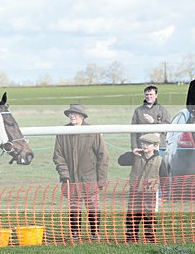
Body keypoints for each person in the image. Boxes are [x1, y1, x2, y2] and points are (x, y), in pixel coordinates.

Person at [52, 103, 110, 241]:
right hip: (70, 180)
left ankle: (95, 233)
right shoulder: (62, 132)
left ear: (82, 116)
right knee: (74, 208)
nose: (72, 116)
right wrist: (64, 175)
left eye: (75, 114)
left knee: (93, 207)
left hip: (90, 178)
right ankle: (75, 234)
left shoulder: (93, 132)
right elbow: (58, 156)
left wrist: (101, 180)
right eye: (70, 114)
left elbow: (103, 156)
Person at [118, 133, 166, 243]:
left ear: (155, 146)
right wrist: (131, 153)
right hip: (135, 191)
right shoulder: (135, 157)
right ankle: (131, 237)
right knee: (132, 215)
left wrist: (162, 196)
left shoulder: (160, 160)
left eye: (148, 144)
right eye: (143, 143)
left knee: (149, 215)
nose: (144, 146)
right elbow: (120, 161)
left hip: (150, 193)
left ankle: (149, 238)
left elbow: (164, 178)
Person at [130, 85, 170, 150]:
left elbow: (167, 127)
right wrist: (134, 147)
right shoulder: (138, 111)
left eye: (151, 94)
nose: (149, 96)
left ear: (156, 95)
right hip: (142, 147)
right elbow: (133, 131)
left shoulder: (163, 110)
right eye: (147, 94)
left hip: (159, 147)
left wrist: (153, 122)